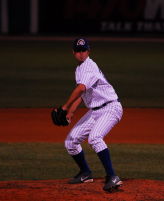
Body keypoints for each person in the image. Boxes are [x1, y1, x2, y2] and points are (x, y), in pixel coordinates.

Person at [61, 38, 123, 192]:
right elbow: (83, 93)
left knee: (95, 138)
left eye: (84, 50)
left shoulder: (89, 66)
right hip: (95, 111)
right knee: (71, 141)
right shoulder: (80, 69)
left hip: (110, 108)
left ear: (88, 51)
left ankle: (112, 176)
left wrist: (64, 107)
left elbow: (81, 88)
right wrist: (71, 111)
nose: (81, 54)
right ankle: (85, 173)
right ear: (73, 52)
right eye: (78, 51)